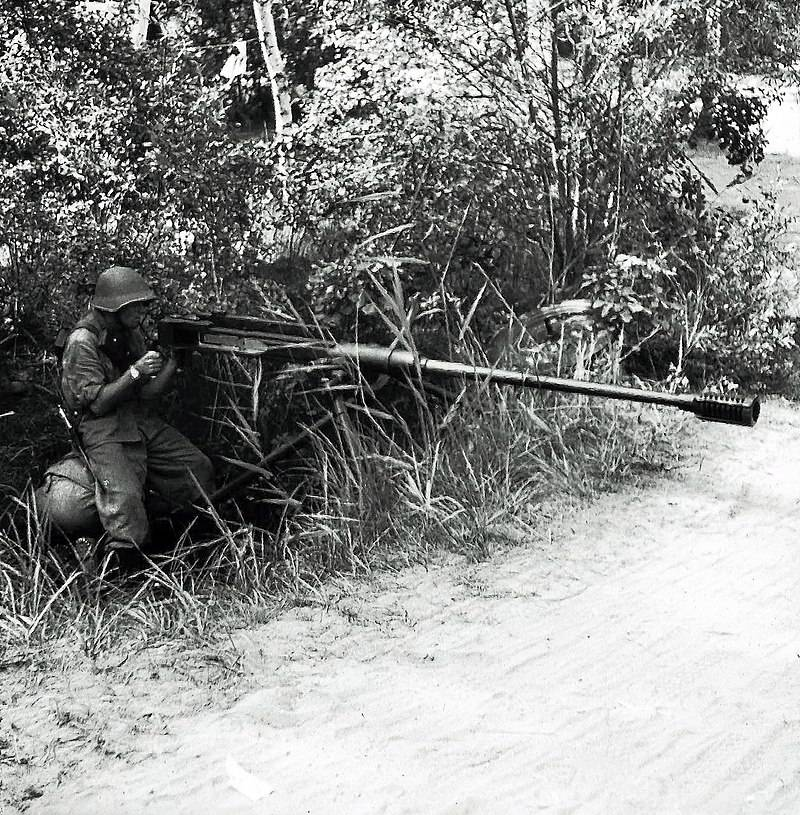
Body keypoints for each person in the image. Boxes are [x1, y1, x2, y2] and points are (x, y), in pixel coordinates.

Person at [60, 265, 214, 562]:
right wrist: (135, 373)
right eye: (136, 306)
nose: (142, 312)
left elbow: (148, 394)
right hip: (101, 427)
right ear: (114, 307)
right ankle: (123, 570)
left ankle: (193, 546)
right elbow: (98, 404)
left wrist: (174, 363)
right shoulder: (82, 342)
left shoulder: (128, 334)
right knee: (126, 503)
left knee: (197, 468)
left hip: (137, 419)